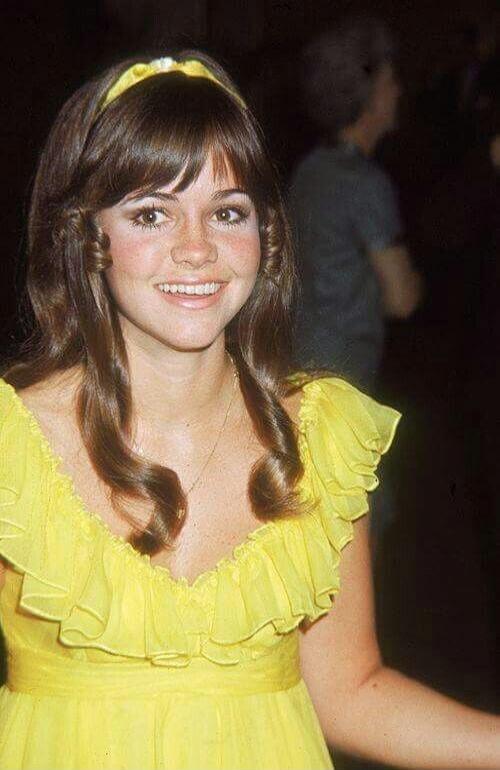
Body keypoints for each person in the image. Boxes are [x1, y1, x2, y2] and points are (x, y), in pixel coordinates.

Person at [0, 51, 498, 770]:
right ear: (86, 237)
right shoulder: (14, 445)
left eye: (227, 212)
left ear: (265, 234)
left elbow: (350, 693)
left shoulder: (320, 440)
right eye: (151, 214)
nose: (196, 249)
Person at [289, 17, 422, 392]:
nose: (398, 91)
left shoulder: (309, 169)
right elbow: (403, 300)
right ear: (368, 96)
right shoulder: (365, 182)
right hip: (343, 381)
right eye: (390, 82)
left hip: (297, 362)